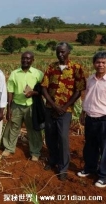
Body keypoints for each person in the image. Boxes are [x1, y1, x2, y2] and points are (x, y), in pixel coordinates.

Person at [41, 42, 86, 181]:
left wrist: (65, 106)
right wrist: (54, 105)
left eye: (63, 52)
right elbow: (44, 87)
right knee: (50, 136)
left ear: (68, 52)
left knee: (63, 138)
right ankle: (53, 160)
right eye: (58, 52)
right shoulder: (51, 67)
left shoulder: (76, 68)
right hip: (50, 109)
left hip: (66, 111)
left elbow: (78, 90)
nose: (60, 54)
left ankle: (63, 167)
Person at [2, 51, 44, 161]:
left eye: (28, 58)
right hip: (16, 105)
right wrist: (9, 108)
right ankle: (9, 148)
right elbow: (10, 92)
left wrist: (33, 93)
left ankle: (35, 152)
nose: (25, 60)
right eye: (23, 58)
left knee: (33, 129)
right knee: (13, 127)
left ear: (32, 60)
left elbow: (43, 90)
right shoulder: (14, 73)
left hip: (32, 106)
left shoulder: (38, 74)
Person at [78, 51, 106, 188]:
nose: (100, 65)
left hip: (104, 119)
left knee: (105, 148)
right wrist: (83, 113)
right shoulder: (90, 79)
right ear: (94, 64)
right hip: (90, 117)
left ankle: (103, 176)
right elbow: (87, 97)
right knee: (90, 145)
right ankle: (89, 168)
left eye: (103, 62)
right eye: (98, 62)